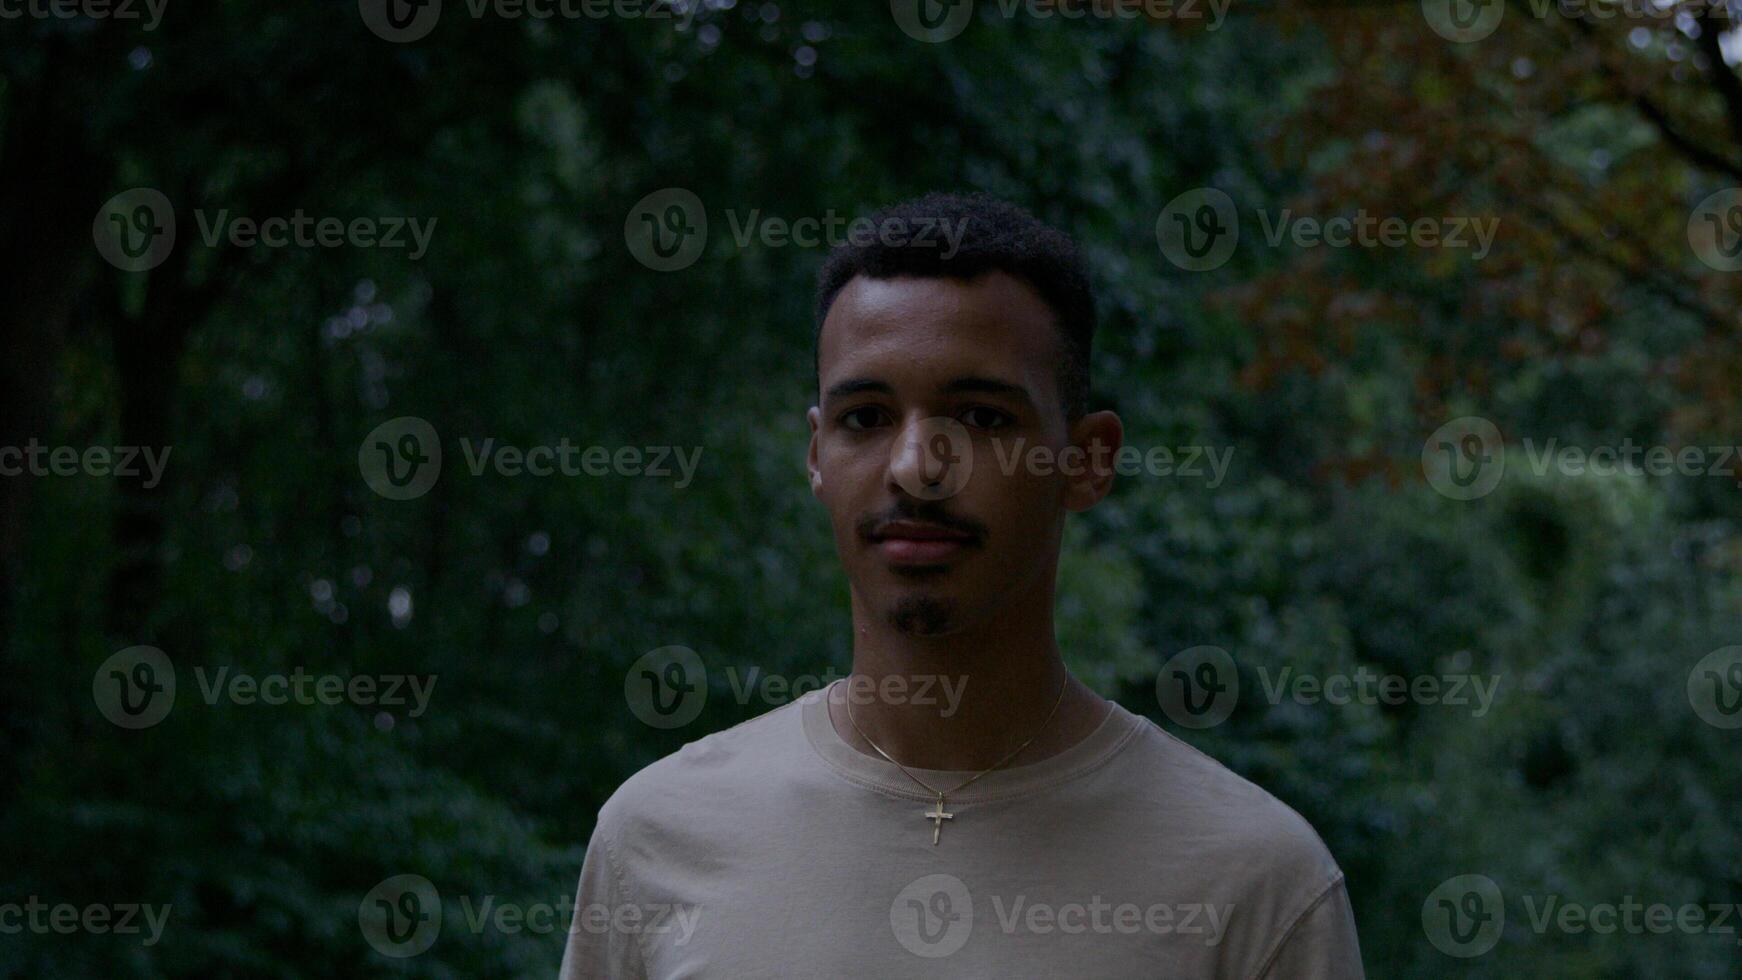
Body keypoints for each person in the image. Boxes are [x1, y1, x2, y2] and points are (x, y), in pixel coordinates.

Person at [558, 192, 1364, 978]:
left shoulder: (1253, 881)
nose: (915, 468)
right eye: (866, 419)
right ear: (816, 455)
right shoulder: (657, 839)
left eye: (981, 418)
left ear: (1086, 460)